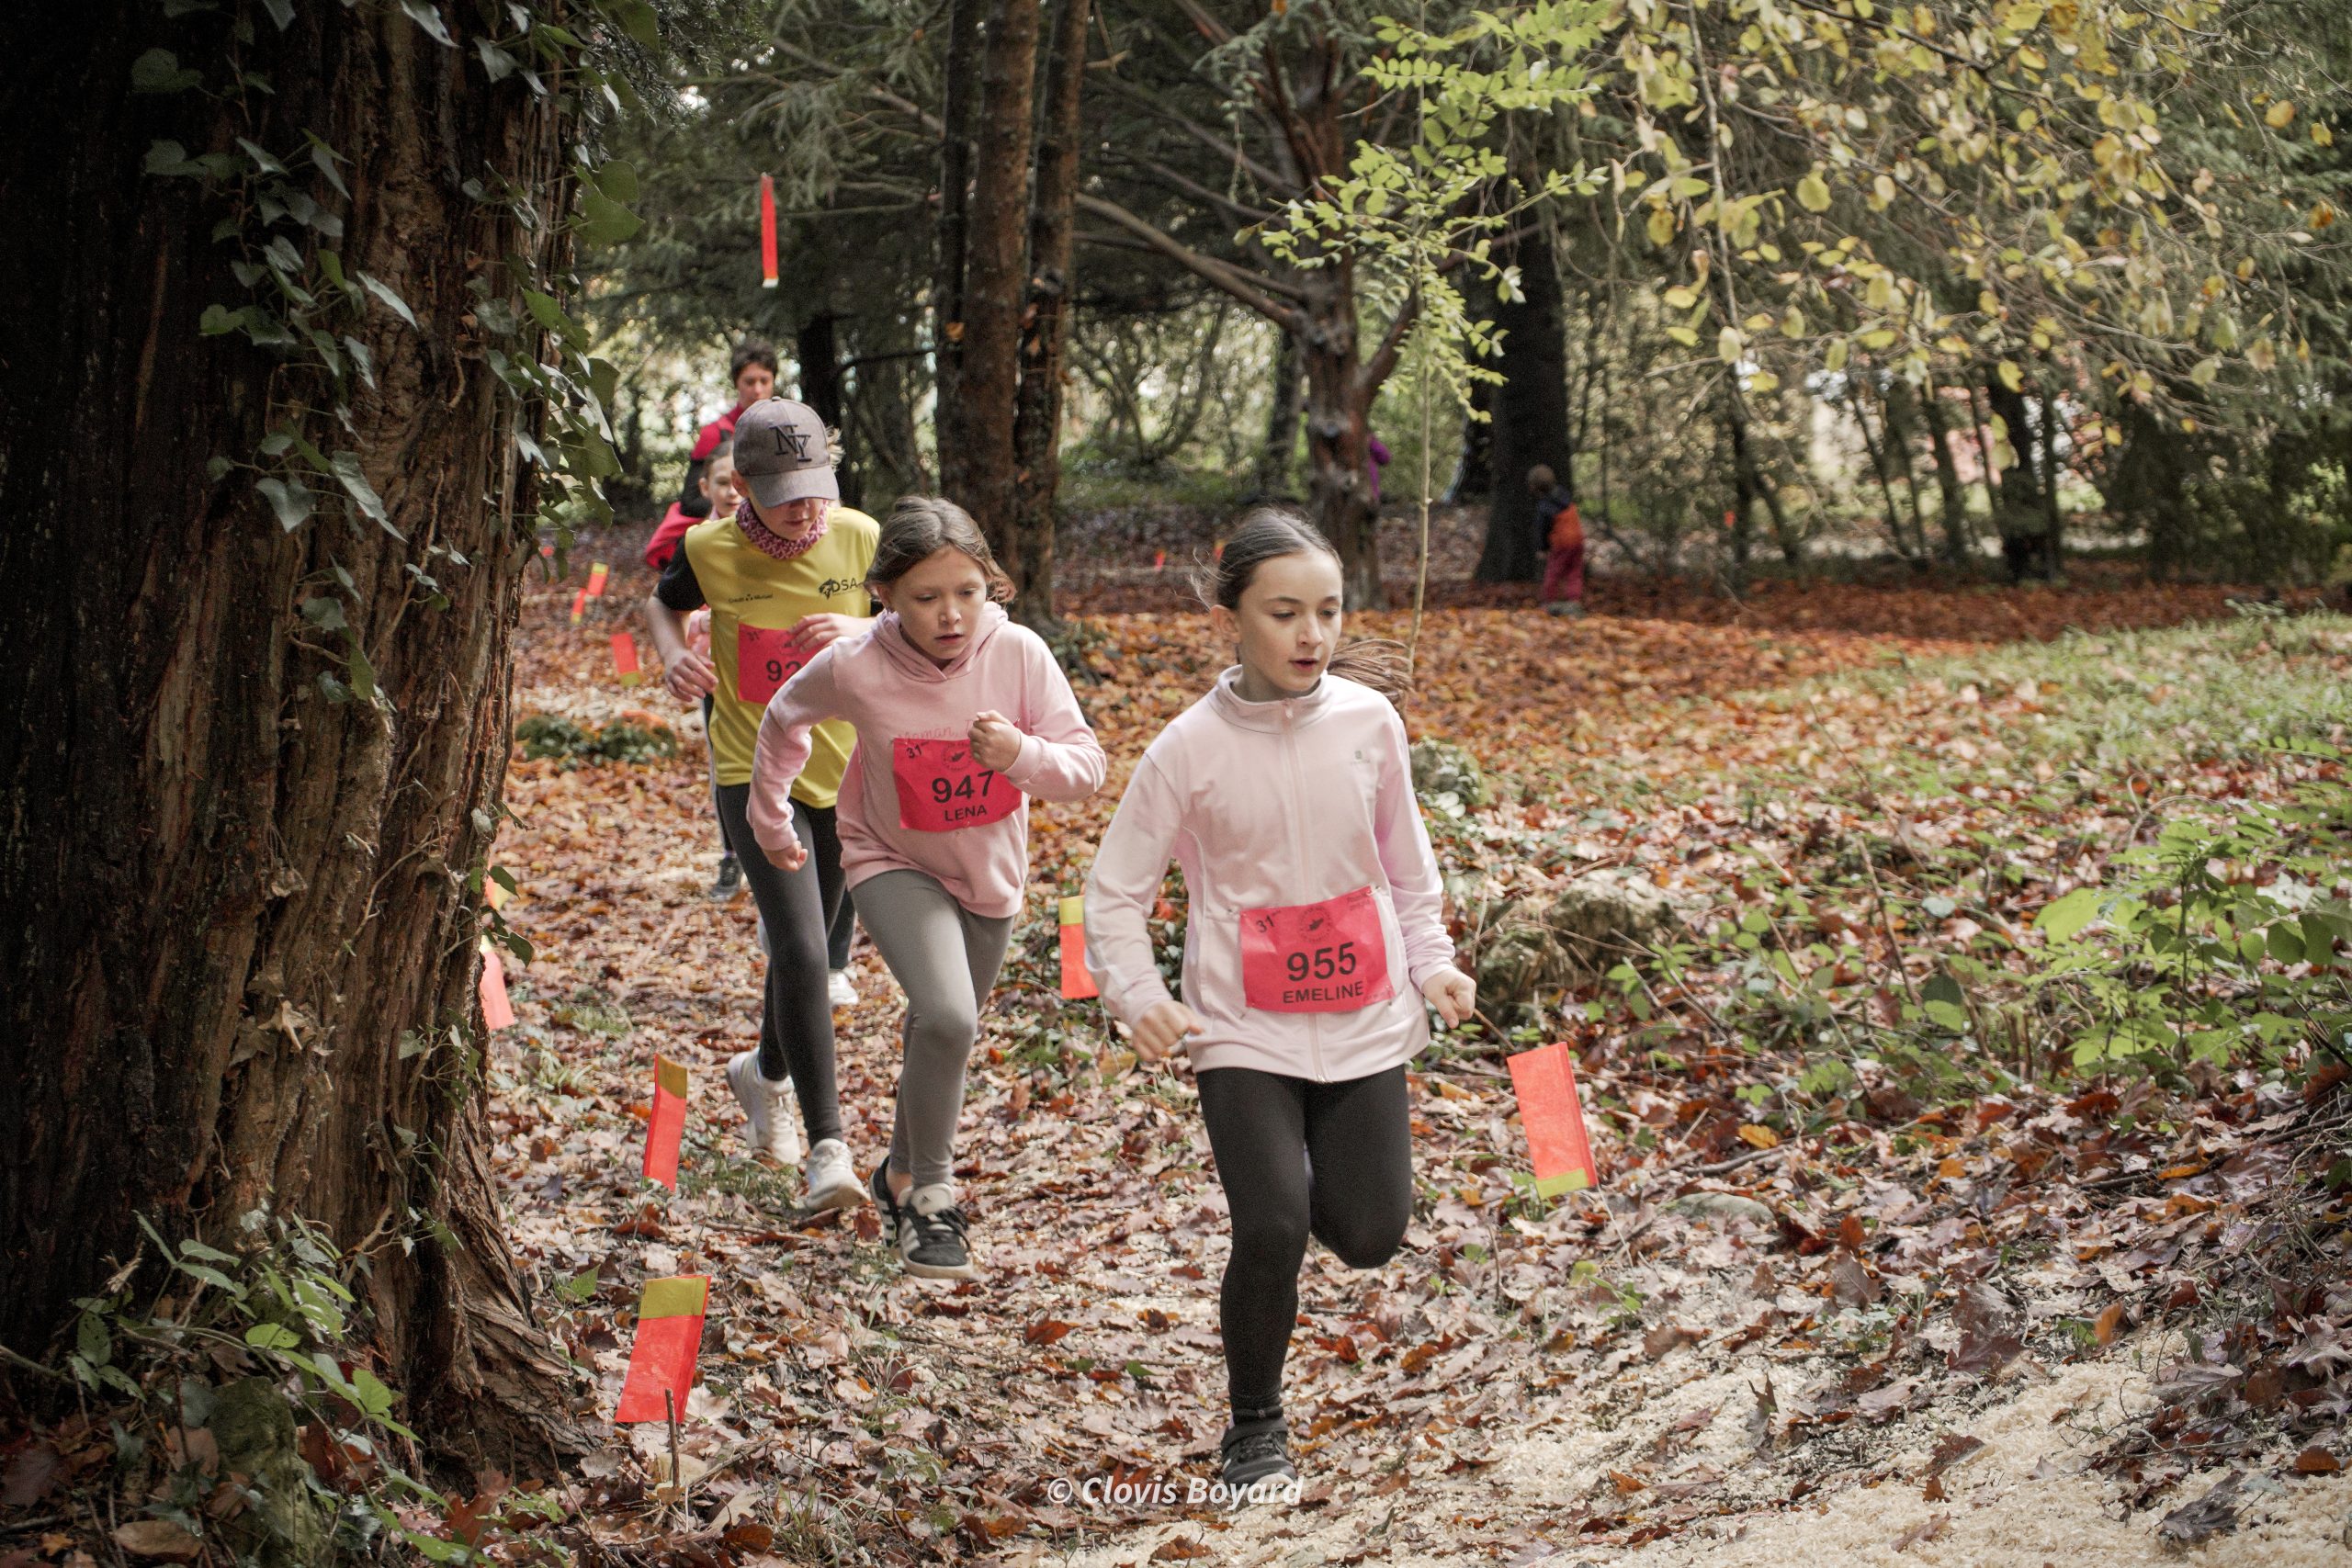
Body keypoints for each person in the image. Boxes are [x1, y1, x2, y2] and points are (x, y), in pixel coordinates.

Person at [1081, 507, 1477, 1495]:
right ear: (1230, 620)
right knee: (1270, 1225)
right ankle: (1255, 1425)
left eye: (1329, 612)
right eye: (1285, 612)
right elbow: (1113, 895)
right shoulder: (1186, 749)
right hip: (1240, 1027)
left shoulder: (1369, 723)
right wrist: (1139, 995)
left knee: (1370, 1234)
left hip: (1365, 1016)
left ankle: (1312, 1186)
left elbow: (1408, 870)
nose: (1312, 634)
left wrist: (1432, 963)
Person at [750, 497, 1105, 1278]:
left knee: (939, 1030)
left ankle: (898, 1173)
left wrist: (1019, 754)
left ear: (990, 586)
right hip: (889, 857)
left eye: (967, 592)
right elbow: (783, 718)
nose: (951, 614)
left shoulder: (1019, 654)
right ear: (884, 594)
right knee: (948, 1014)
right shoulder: (855, 664)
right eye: (927, 596)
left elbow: (1087, 767)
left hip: (989, 874)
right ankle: (932, 1199)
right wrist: (769, 814)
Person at [641, 397, 876, 1209]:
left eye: (816, 489)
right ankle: (829, 1149)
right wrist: (672, 655)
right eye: (784, 497)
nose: (806, 510)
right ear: (740, 486)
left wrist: (858, 636)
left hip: (842, 769)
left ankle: (763, 1072)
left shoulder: (861, 538)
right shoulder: (709, 548)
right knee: (806, 950)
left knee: (803, 950)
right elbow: (663, 604)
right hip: (751, 770)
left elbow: (916, 635)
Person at [1530, 465, 1585, 617]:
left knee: (1553, 572)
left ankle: (1549, 602)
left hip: (1561, 543)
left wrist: (1542, 548)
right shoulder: (1565, 496)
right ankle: (1574, 601)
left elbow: (1543, 530)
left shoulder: (1545, 507)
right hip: (1577, 540)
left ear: (1535, 488)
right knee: (1574, 572)